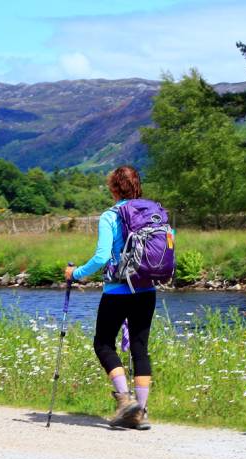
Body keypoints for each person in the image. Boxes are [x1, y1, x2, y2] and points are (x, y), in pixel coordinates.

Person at [64, 166, 155, 430]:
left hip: (117, 291)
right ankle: (142, 413)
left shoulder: (110, 216)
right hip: (146, 289)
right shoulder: (152, 213)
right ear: (137, 186)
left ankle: (125, 402)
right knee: (140, 348)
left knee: (103, 343)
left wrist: (76, 273)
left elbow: (102, 257)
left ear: (114, 188)